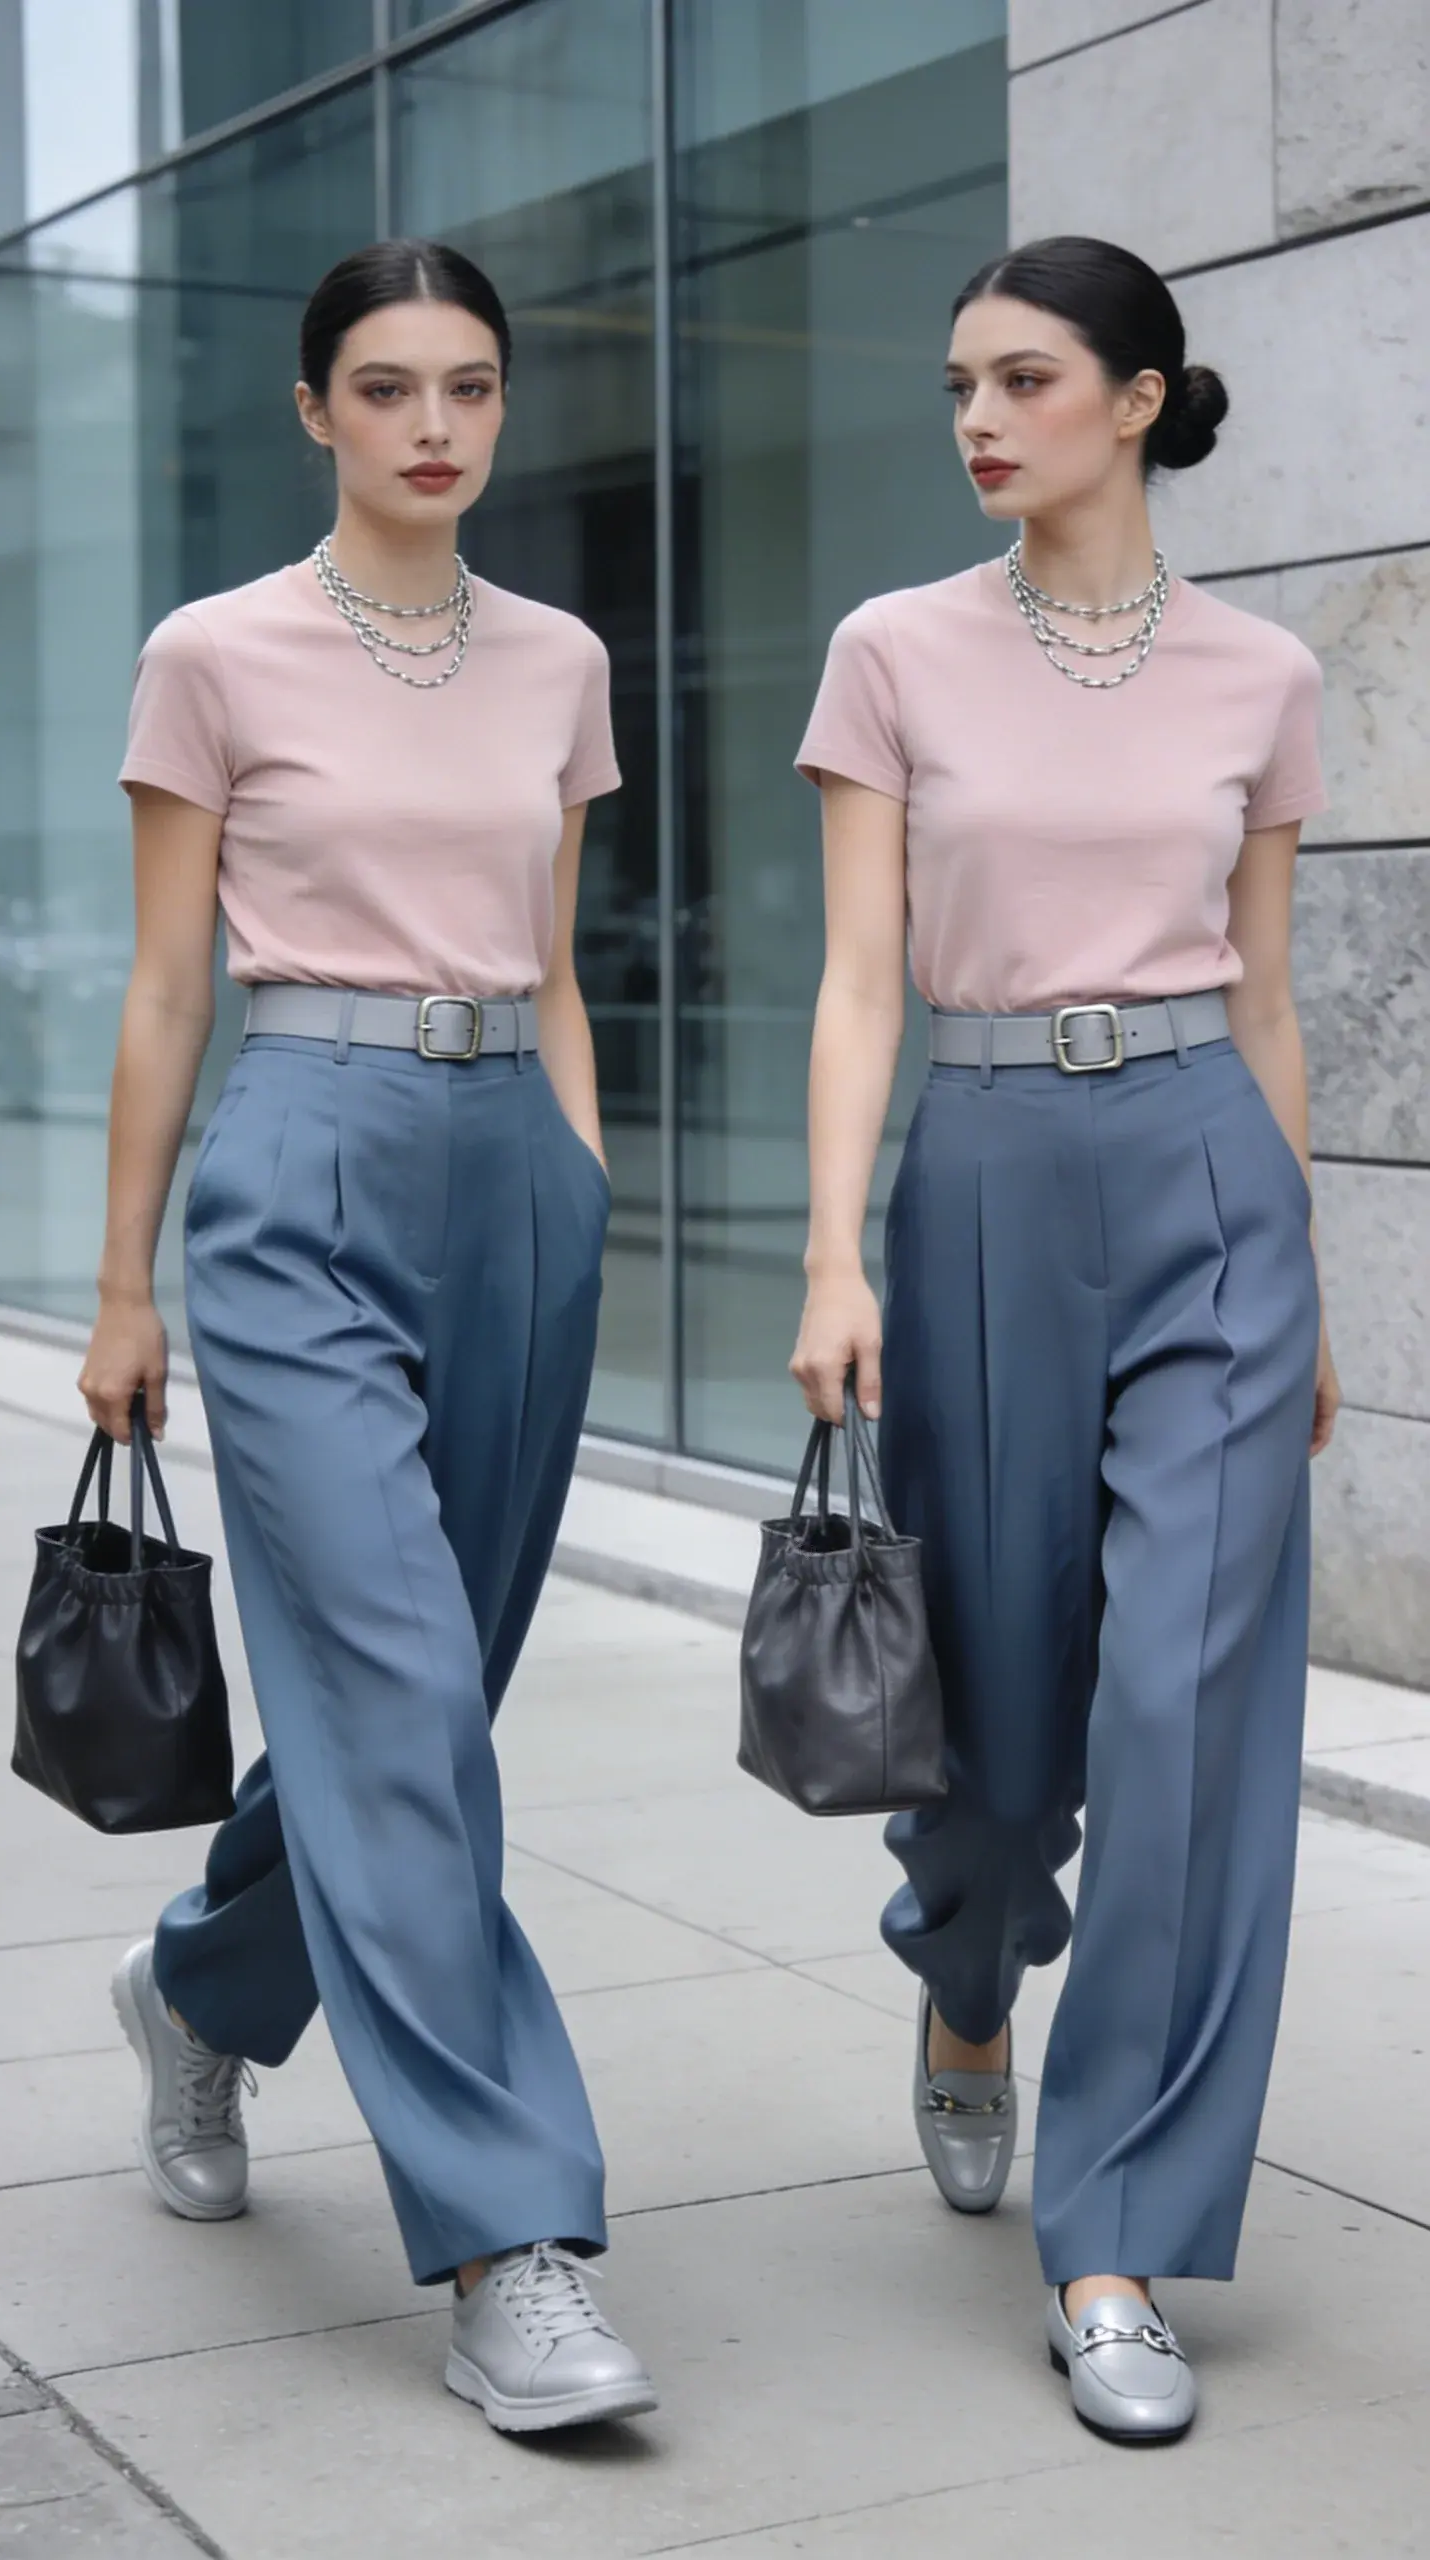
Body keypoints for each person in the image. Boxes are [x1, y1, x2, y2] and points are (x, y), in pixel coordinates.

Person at [80, 238, 656, 2436]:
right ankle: (515, 2234)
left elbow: (562, 953)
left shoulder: (564, 660)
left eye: (475, 387)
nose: (438, 423)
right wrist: (125, 1279)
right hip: (299, 1163)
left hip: (514, 1160)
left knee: (433, 1684)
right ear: (316, 410)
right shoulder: (211, 652)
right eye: (391, 386)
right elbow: (163, 988)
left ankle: (203, 1985)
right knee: (403, 1693)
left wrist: (579, 1171)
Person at [790, 235, 1337, 2444]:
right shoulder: (893, 648)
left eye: (1024, 379)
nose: (980, 421)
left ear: (1140, 397)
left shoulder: (1264, 672)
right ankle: (964, 1983)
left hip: (1212, 1165)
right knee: (1005, 1732)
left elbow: (1276, 995)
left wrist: (1307, 1284)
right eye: (957, 387)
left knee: (1193, 1714)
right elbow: (853, 981)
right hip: (988, 1165)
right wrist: (833, 1254)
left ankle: (1112, 2234)